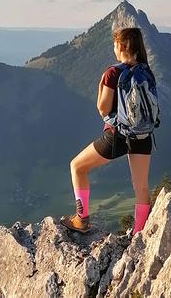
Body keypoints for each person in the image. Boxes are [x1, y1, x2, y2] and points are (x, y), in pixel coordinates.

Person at [61, 27, 156, 235]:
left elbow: (103, 108)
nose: (113, 48)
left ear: (121, 46)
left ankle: (81, 219)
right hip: (144, 135)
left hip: (118, 136)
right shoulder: (145, 70)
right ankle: (138, 234)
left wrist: (100, 85)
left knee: (77, 166)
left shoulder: (113, 72)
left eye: (115, 44)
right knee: (141, 187)